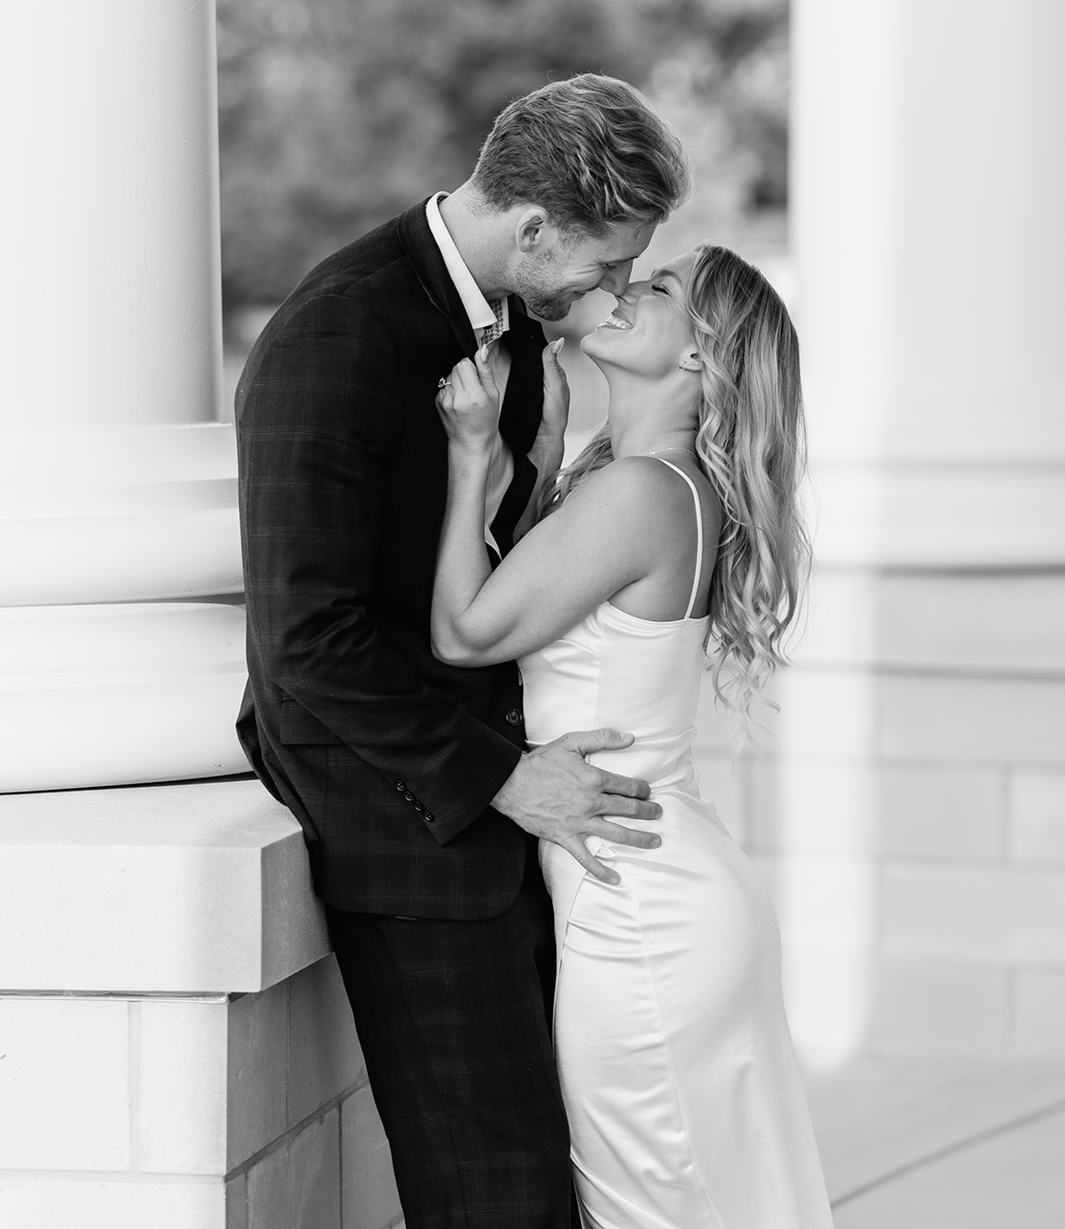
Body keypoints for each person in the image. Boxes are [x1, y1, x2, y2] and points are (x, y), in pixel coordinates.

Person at [234, 73, 690, 1229]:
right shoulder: (339, 334)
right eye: (607, 262)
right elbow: (306, 640)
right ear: (533, 227)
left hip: (502, 818)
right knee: (499, 1196)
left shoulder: (509, 329)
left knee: (546, 1178)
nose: (615, 288)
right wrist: (504, 775)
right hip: (415, 830)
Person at [432, 244, 835, 1228]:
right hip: (659, 889)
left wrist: (470, 455)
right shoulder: (643, 483)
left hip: (641, 915)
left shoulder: (645, 492)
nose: (621, 290)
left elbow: (466, 629)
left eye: (656, 290)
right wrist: (537, 461)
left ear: (703, 358)